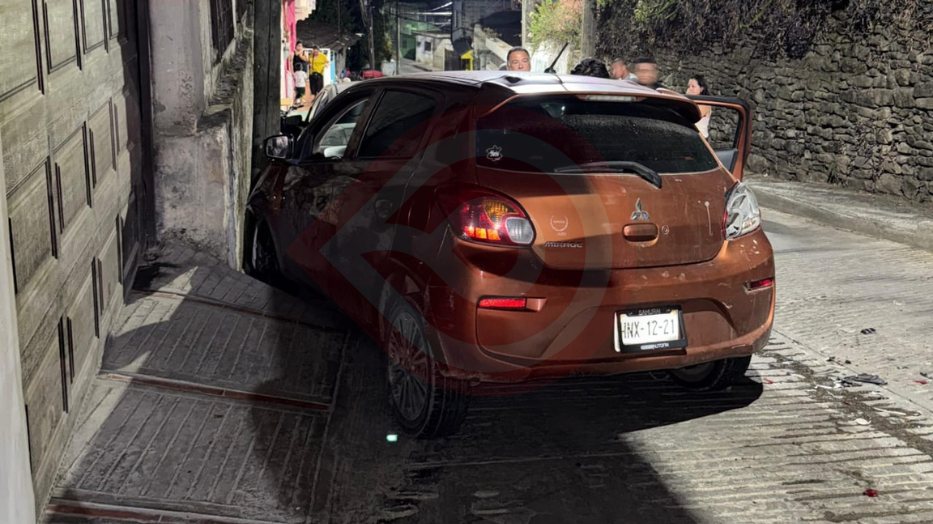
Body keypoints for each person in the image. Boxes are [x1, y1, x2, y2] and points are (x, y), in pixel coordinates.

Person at [686, 74, 712, 138]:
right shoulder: (691, 102)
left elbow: (691, 117)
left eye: (693, 86)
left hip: (700, 138)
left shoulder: (704, 103)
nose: (690, 89)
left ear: (701, 89)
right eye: (688, 86)